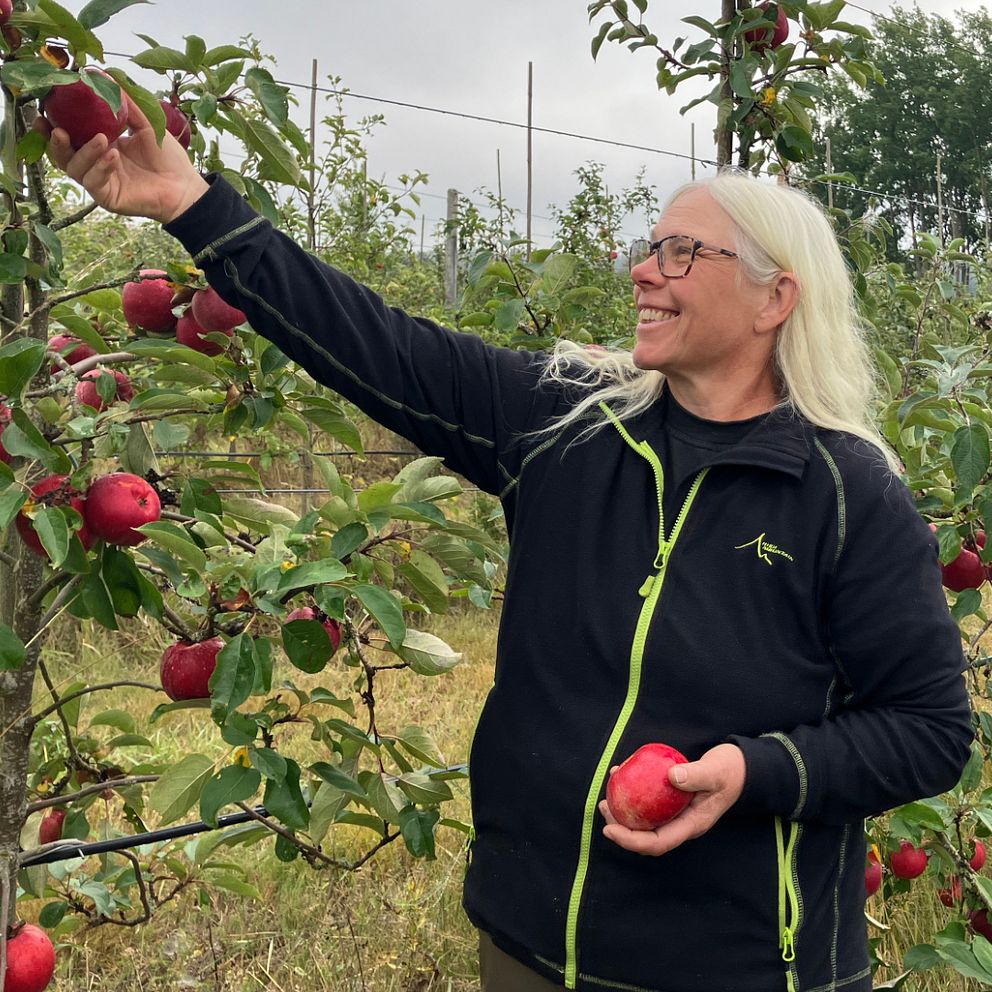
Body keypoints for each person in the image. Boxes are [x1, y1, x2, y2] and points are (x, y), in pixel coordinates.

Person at [42, 100, 974, 992]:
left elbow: (930, 732)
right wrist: (191, 204)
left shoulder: (848, 496)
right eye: (650, 246)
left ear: (776, 298)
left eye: (681, 253)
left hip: (739, 968)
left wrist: (755, 770)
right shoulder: (567, 427)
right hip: (529, 943)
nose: (643, 271)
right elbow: (375, 343)